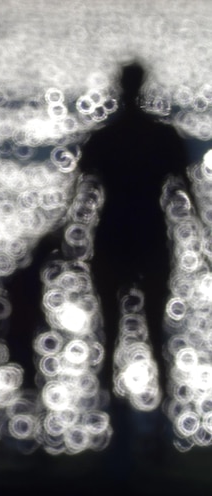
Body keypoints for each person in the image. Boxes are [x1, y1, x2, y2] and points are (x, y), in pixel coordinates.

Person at [78, 61, 191, 467]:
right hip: (146, 239)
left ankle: (118, 435)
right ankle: (155, 433)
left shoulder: (105, 137)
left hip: (117, 239)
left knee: (113, 337)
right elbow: (185, 196)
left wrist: (71, 237)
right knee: (156, 338)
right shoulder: (161, 137)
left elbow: (82, 195)